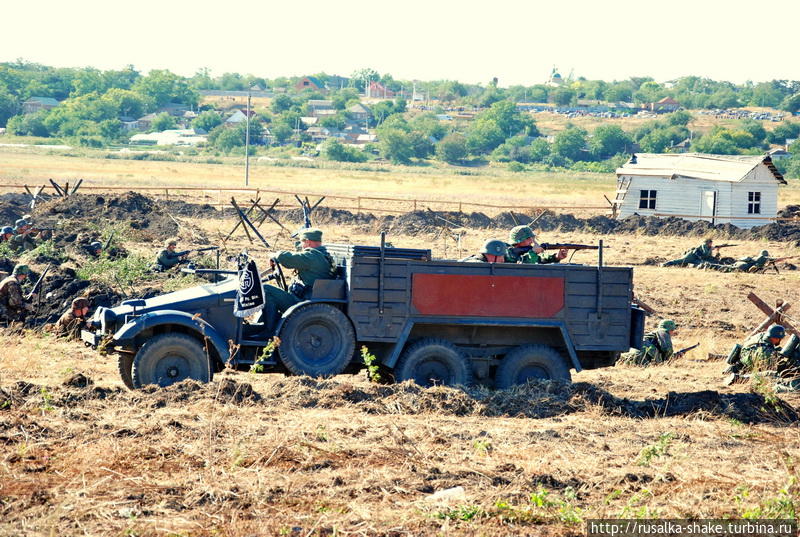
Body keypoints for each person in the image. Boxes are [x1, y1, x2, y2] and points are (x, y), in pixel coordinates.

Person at [262, 228, 337, 330]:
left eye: (301, 242)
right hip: (307, 302)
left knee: (265, 289)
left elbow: (286, 257)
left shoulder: (311, 256)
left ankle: (268, 330)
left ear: (307, 241)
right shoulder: (322, 255)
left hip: (302, 305)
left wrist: (274, 255)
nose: (301, 246)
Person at [702, 250, 771, 273]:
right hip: (743, 266)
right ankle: (709, 266)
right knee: (726, 269)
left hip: (740, 263)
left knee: (726, 266)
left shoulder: (758, 257)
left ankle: (710, 265)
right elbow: (753, 268)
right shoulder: (762, 259)